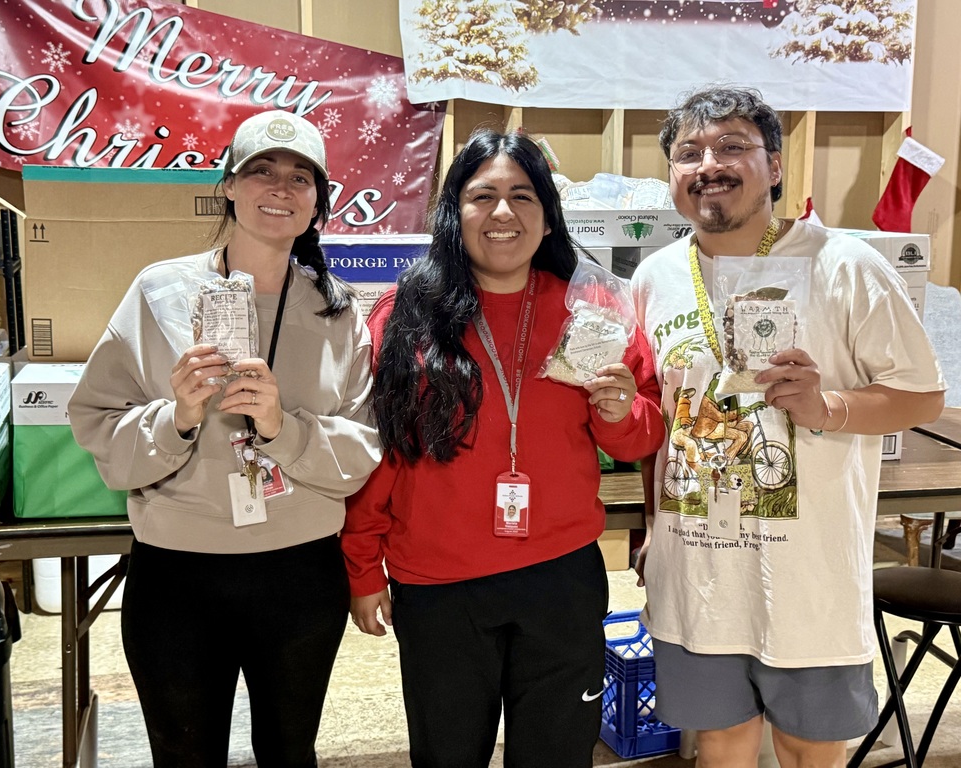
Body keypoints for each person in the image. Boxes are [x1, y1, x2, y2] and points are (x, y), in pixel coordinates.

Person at [631, 85, 946, 768]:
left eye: (732, 146)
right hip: (696, 568)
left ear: (775, 166)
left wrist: (829, 407)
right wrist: (652, 528)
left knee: (807, 746)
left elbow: (920, 396)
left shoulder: (845, 265)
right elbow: (659, 415)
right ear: (673, 177)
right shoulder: (654, 276)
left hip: (809, 578)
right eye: (689, 153)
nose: (709, 163)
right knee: (719, 740)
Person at [340, 129, 665, 768]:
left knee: (556, 754)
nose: (503, 213)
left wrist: (623, 410)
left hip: (560, 574)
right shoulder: (405, 312)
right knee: (447, 754)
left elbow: (640, 435)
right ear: (452, 213)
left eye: (523, 195)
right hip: (437, 582)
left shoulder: (592, 309)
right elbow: (381, 451)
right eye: (481, 196)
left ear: (548, 217)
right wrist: (361, 564)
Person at [69, 110, 382, 767]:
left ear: (318, 203)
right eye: (261, 170)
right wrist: (176, 415)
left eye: (301, 178)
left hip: (300, 573)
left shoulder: (337, 309)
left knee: (290, 752)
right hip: (178, 573)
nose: (281, 188)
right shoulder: (161, 293)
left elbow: (361, 452)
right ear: (228, 187)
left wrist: (281, 427)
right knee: (184, 756)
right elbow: (95, 426)